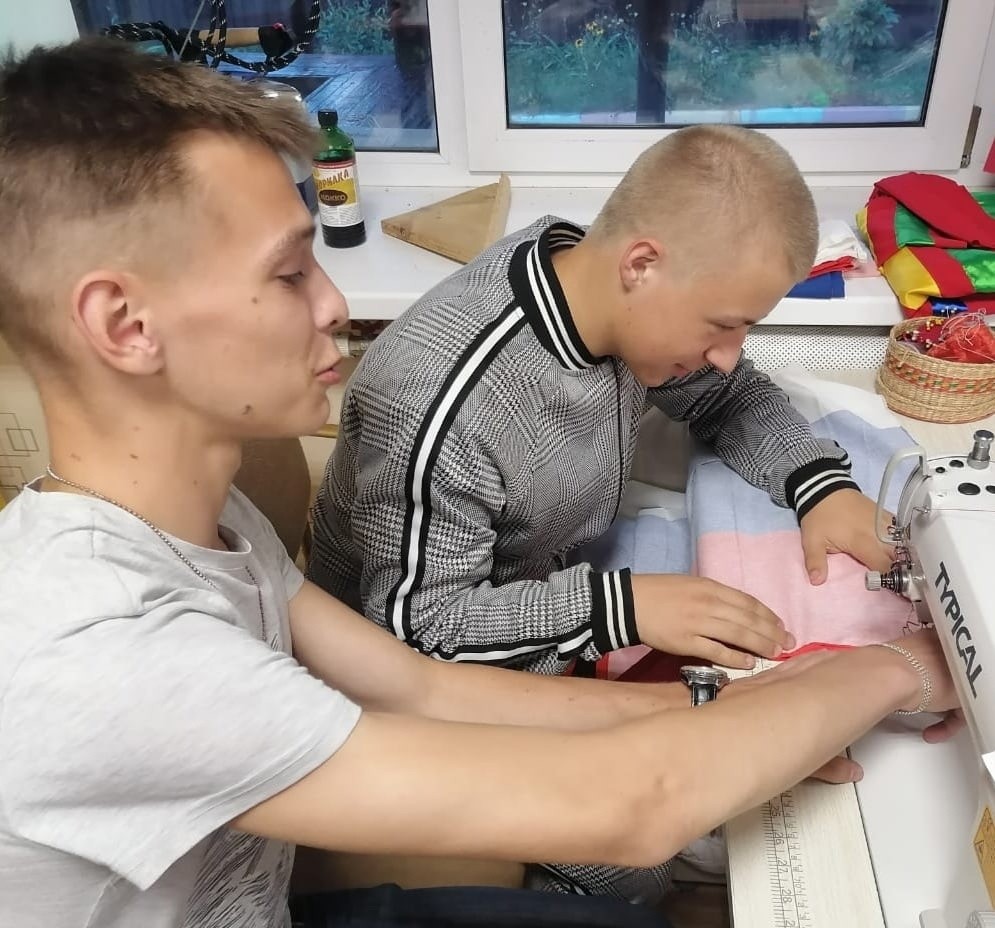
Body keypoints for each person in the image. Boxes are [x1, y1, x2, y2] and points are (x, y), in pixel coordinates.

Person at [0, 38, 962, 928]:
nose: (336, 303)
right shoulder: (107, 654)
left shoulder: (209, 523)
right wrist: (906, 666)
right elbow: (631, 801)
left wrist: (731, 702)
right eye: (290, 273)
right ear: (126, 325)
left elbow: (420, 688)